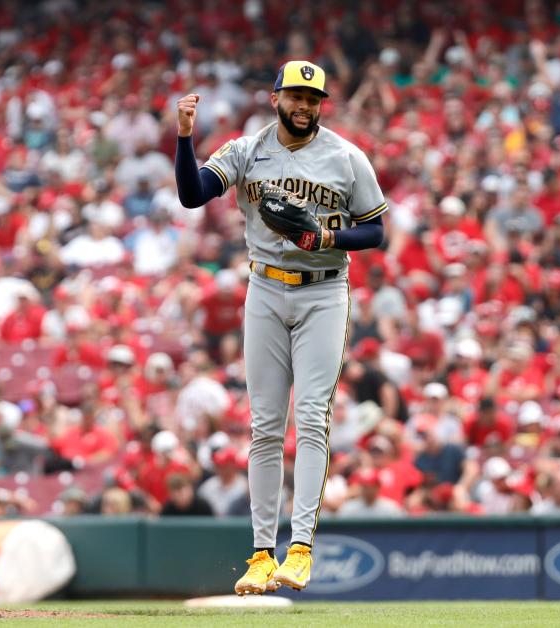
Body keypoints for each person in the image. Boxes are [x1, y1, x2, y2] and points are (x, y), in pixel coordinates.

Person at [175, 60, 387, 595]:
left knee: (312, 416)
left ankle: (301, 549)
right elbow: (193, 193)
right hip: (265, 288)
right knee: (265, 426)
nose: (304, 106)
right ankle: (261, 553)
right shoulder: (248, 149)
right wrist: (184, 139)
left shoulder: (346, 156)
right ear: (276, 98)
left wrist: (327, 240)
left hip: (323, 289)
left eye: (313, 99)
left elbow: (376, 229)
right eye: (295, 95)